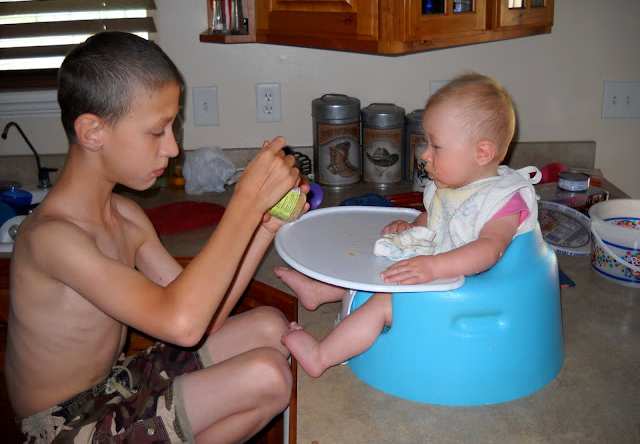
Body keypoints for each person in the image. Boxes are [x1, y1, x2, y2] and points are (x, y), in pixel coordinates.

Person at [5, 31, 306, 444]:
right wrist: (245, 203)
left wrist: (264, 226)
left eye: (172, 127)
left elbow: (206, 319)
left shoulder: (125, 216)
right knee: (268, 377)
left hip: (112, 385)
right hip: (61, 426)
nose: (173, 148)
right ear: (93, 132)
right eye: (157, 131)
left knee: (271, 326)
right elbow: (182, 326)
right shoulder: (51, 238)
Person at [275, 71, 540, 378]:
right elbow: (442, 217)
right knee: (384, 261)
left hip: (475, 293)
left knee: (384, 302)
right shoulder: (455, 183)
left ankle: (321, 356)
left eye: (436, 146)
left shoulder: (502, 199)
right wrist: (414, 228)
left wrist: (434, 267)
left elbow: (490, 249)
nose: (424, 154)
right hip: (443, 272)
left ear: (481, 153)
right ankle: (320, 291)